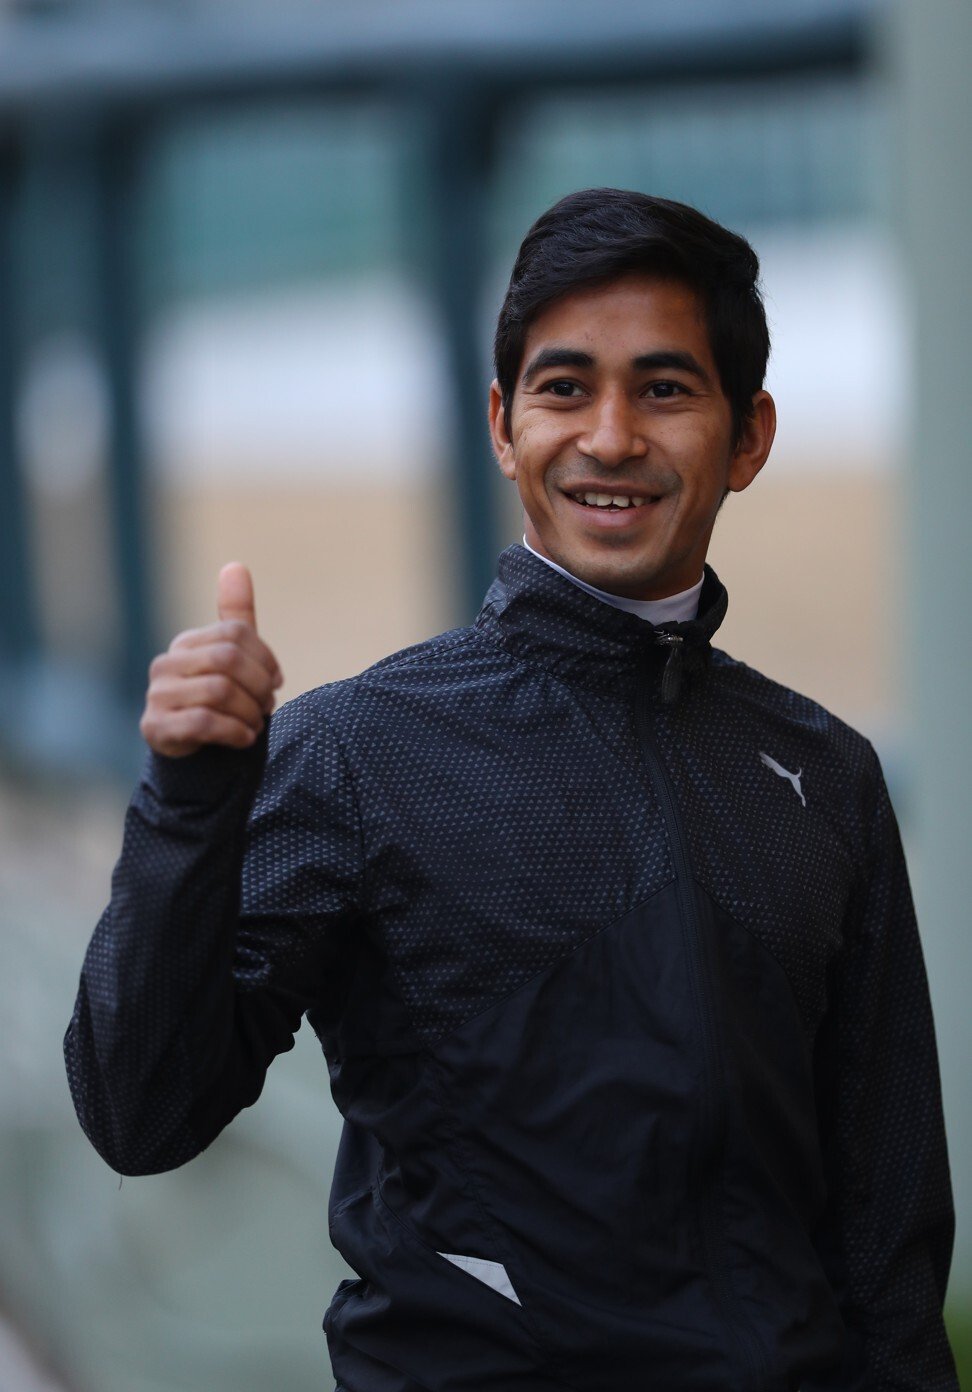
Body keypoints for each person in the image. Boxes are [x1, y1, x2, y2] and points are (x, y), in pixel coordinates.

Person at [64, 189, 958, 1392]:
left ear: (748, 436)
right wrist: (186, 804)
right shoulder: (352, 753)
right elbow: (143, 1113)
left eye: (664, 388)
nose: (609, 436)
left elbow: (889, 1231)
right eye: (563, 387)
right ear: (501, 422)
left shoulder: (826, 775)